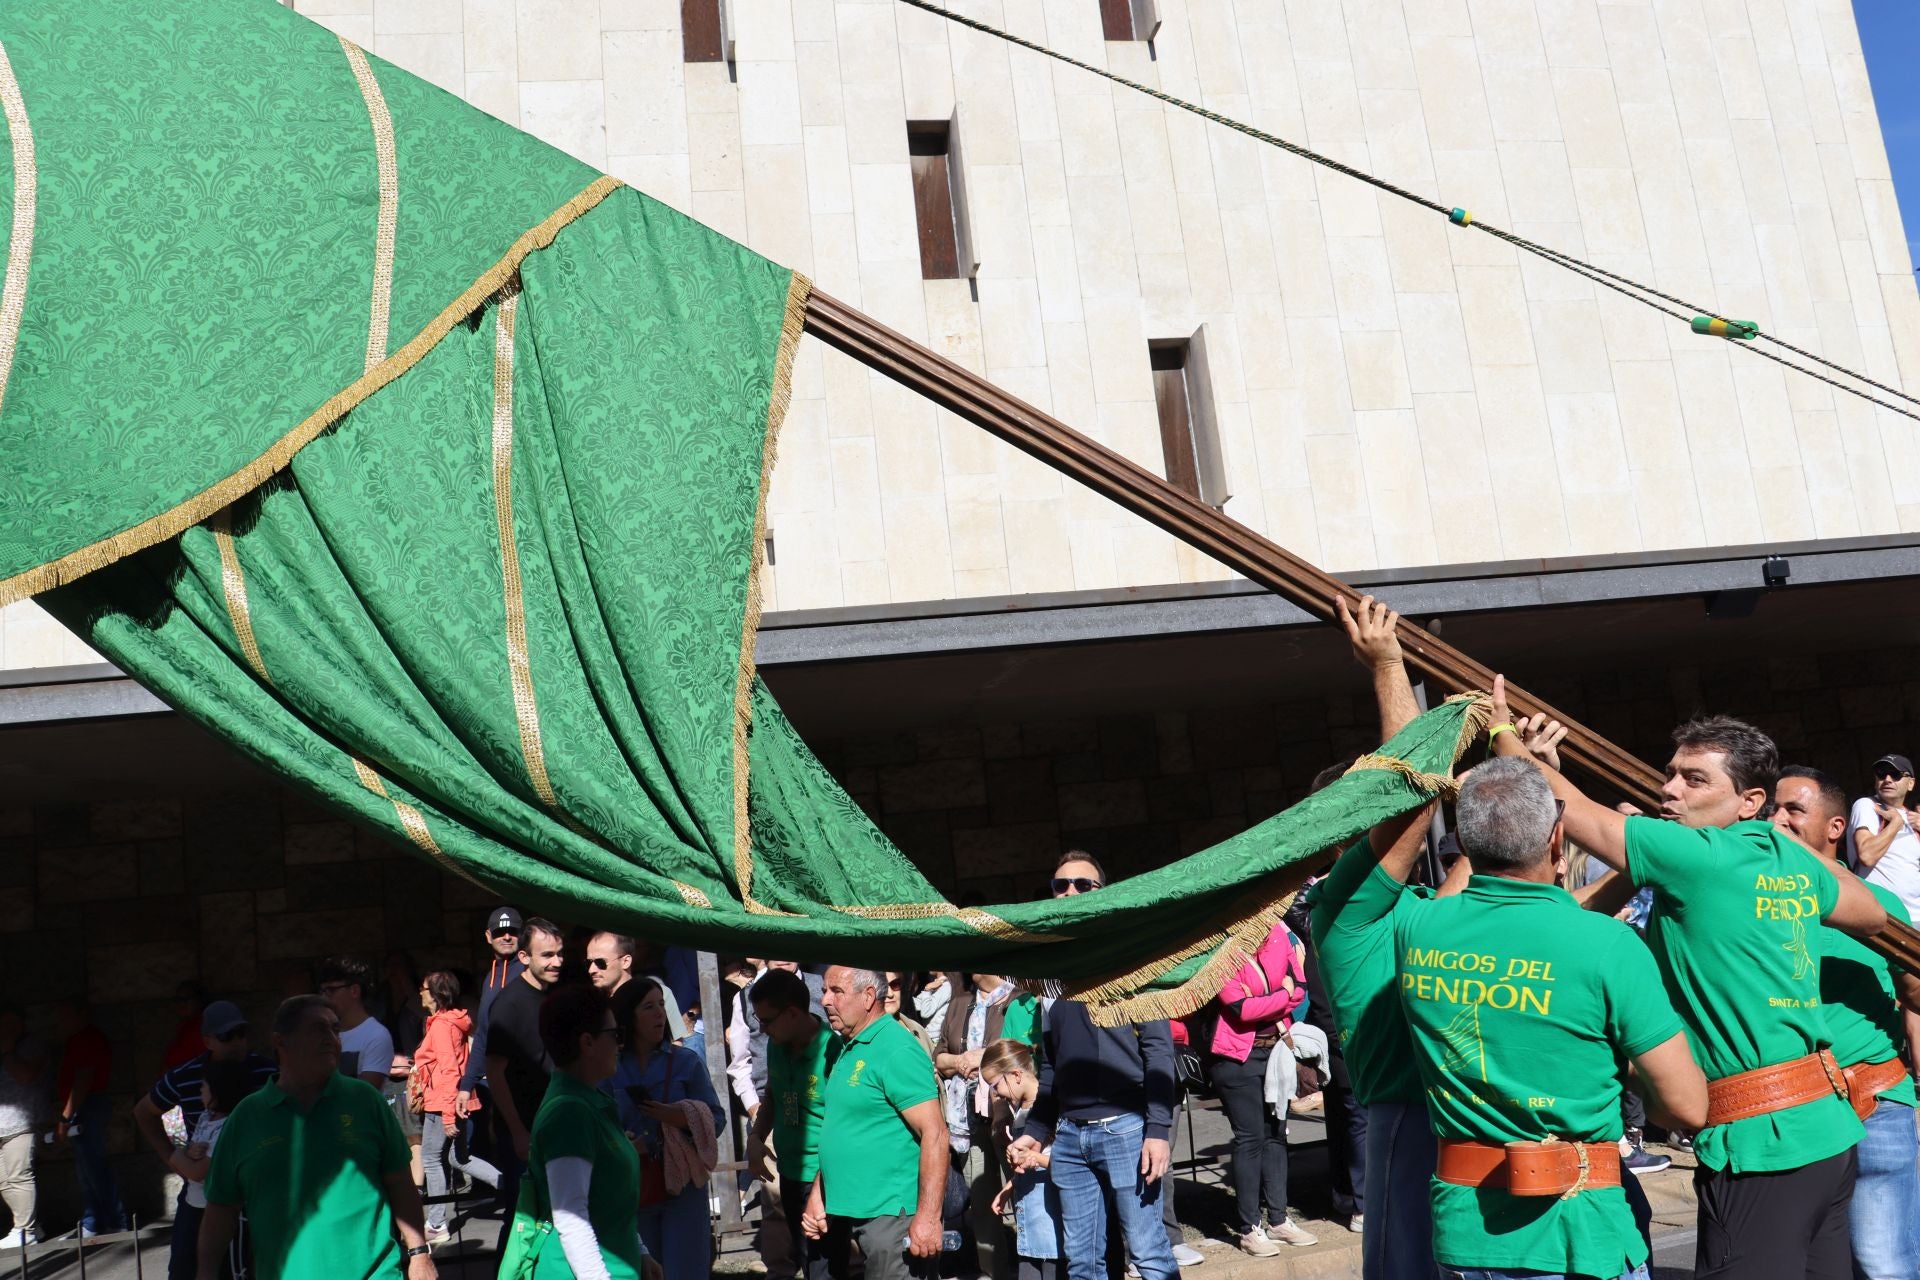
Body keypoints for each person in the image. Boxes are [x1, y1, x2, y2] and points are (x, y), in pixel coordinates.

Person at [1491, 679, 1888, 1279]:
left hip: (1760, 1144)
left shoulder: (1697, 854)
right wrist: (1781, 846)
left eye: (1694, 779)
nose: (1669, 789)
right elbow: (1873, 913)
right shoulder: (1780, 856)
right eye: (1671, 774)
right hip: (1826, 1132)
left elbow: (1574, 812)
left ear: (1750, 801)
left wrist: (1503, 733)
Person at [1384, 757, 1708, 1280]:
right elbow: (1686, 1107)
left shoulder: (1418, 929)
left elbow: (1487, 910)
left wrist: (1482, 805)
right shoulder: (1607, 945)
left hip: (1466, 1232)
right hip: (1576, 1231)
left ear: (1463, 841)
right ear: (1558, 837)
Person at [1312, 595, 1447, 1280]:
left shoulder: (1421, 901)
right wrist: (1388, 668)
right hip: (1406, 1120)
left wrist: (1525, 766)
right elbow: (1411, 794)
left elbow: (1496, 861)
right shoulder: (1343, 907)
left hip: (1460, 1114)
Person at [1774, 765, 1920, 1278]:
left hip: (1873, 1105)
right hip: (1788, 1110)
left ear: (1836, 827)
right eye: (1773, 808)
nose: (1777, 820)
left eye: (1794, 809)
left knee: (1883, 1264)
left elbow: (1914, 998)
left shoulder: (1879, 904)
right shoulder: (1754, 908)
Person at [1006, 886, 1179, 1280]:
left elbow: (1158, 1051)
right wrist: (1035, 1132)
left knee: (1148, 1254)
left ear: (1101, 894)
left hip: (1126, 1129)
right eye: (1060, 885)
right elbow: (1052, 1068)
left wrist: (1157, 1130)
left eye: (1082, 885)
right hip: (1070, 1137)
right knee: (1083, 1264)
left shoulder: (1132, 963)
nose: (1070, 891)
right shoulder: (1051, 980)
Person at [198, 995, 435, 1280]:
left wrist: (419, 1254)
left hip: (375, 1273)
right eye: (318, 1029)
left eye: (335, 1030)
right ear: (281, 1042)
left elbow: (400, 1182)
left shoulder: (365, 1100)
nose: (332, 1039)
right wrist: (206, 1273)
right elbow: (221, 1207)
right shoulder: (246, 1118)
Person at [802, 966, 947, 1280]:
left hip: (891, 1216)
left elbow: (935, 1134)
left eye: (836, 991)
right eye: (825, 991)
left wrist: (928, 1217)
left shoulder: (896, 1049)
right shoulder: (848, 1045)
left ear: (868, 996)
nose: (825, 1000)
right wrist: (819, 1193)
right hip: (851, 1209)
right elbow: (843, 1129)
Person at [525, 984, 662, 1280]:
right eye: (615, 1035)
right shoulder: (569, 1113)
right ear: (587, 1042)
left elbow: (608, 1202)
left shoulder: (591, 1102)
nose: (620, 1045)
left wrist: (639, 1250)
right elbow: (571, 1218)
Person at [134, 1001, 276, 1280]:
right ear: (208, 1041)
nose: (237, 1042)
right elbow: (143, 1112)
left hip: (253, 1196)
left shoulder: (267, 1073)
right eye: (227, 1036)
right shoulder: (186, 1076)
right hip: (201, 1197)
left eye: (241, 1033)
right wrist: (175, 1158)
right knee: (185, 1270)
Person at [1207, 921, 1316, 1253]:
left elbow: (1301, 987)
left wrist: (1270, 997)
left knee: (1276, 1135)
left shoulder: (1278, 935)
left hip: (1277, 1051)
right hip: (1236, 1058)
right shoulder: (1222, 946)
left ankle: (1279, 1221)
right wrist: (1282, 994)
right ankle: (1249, 1228)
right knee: (1251, 1138)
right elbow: (1239, 1008)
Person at [607, 977, 723, 1280]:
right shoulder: (609, 1067)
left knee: (686, 1272)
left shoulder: (687, 1062)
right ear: (628, 1016)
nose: (660, 1013)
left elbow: (717, 1120)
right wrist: (625, 1145)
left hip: (683, 1187)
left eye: (661, 1004)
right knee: (639, 1271)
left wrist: (681, 1117)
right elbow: (598, 1124)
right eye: (648, 1007)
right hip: (631, 1184)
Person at [935, 973, 1041, 1280]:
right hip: (966, 1121)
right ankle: (993, 1272)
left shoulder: (1018, 1000)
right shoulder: (959, 1003)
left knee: (1022, 1195)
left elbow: (1020, 1053)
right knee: (982, 1202)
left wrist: (983, 1059)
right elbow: (939, 1056)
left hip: (1009, 1116)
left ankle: (1030, 1267)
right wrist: (959, 1061)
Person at [747, 969, 837, 1280]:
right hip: (790, 1173)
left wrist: (821, 1186)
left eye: (767, 1020)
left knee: (826, 1266)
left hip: (825, 1177)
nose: (762, 1028)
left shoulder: (833, 1052)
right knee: (808, 1262)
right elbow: (772, 1097)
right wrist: (756, 1137)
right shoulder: (776, 1045)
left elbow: (844, 1124)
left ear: (793, 1013)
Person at [486, 917, 566, 1241]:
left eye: (559, 953)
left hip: (552, 1122)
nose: (556, 962)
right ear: (524, 957)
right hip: (525, 1130)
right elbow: (494, 1071)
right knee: (522, 1220)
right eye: (547, 955)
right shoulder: (509, 1004)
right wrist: (518, 1132)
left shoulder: (553, 993)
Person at [413, 970, 501, 1243]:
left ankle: (436, 1224)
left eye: (423, 988)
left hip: (443, 1102)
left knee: (431, 1158)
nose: (419, 993)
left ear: (435, 994)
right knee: (459, 1158)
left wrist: (448, 1115)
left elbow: (449, 1070)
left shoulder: (442, 1025)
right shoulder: (452, 1021)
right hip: (452, 1099)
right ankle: (512, 1186)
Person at [169, 1060, 259, 1279]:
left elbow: (197, 1171)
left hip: (216, 1211)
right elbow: (192, 1151)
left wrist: (175, 1156)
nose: (200, 1090)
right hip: (192, 1205)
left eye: (204, 1085)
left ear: (219, 1090)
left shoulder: (229, 1126)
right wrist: (187, 1152)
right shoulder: (205, 1116)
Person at [981, 1039, 1062, 1280]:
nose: (996, 1093)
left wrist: (1035, 1158)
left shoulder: (1049, 1110)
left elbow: (1067, 1164)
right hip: (1030, 1228)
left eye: (995, 1085)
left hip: (1052, 1229)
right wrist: (1009, 1187)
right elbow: (1026, 1165)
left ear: (1016, 1075)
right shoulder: (1019, 1112)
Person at [52, 998, 125, 1237]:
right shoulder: (78, 1040)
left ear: (81, 1015)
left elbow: (83, 1079)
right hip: (85, 1106)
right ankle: (94, 1221)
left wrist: (66, 1117)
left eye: (65, 1016)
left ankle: (115, 1220)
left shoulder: (87, 1039)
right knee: (86, 1168)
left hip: (88, 1106)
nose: (60, 1022)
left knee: (94, 1166)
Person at [1849, 754, 1920, 914]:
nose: (1887, 779)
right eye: (1881, 774)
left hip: (1915, 914)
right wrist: (1895, 824)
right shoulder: (1867, 805)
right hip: (1885, 915)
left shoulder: (1913, 817)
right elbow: (1867, 855)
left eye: (1895, 775)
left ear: (1910, 783)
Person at [0, 1007, 45, 1250]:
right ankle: (32, 1226)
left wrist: (8, 1051)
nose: (6, 1028)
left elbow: (25, 1076)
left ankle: (24, 1230)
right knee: (3, 1181)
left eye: (11, 1023)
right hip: (1, 1124)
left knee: (19, 1176)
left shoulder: (31, 1046)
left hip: (21, 1122)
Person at [587, 933, 687, 1041]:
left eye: (600, 962)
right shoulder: (591, 1003)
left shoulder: (657, 994)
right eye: (588, 963)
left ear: (626, 961)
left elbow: (676, 1043)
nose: (591, 970)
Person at [318, 955, 399, 1089]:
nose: (324, 997)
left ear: (354, 991)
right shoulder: (321, 1034)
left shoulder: (376, 1035)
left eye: (331, 990)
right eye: (322, 991)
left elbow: (366, 1094)